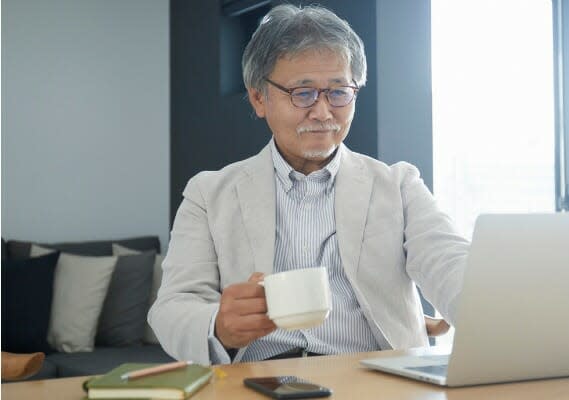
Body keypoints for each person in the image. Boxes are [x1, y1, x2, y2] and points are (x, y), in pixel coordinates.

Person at [149, 4, 469, 365]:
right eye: (302, 94)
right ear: (259, 98)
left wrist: (493, 311)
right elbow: (172, 308)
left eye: (338, 92)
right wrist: (218, 325)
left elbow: (450, 263)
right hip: (259, 379)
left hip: (371, 377)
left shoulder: (398, 185)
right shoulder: (208, 194)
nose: (322, 112)